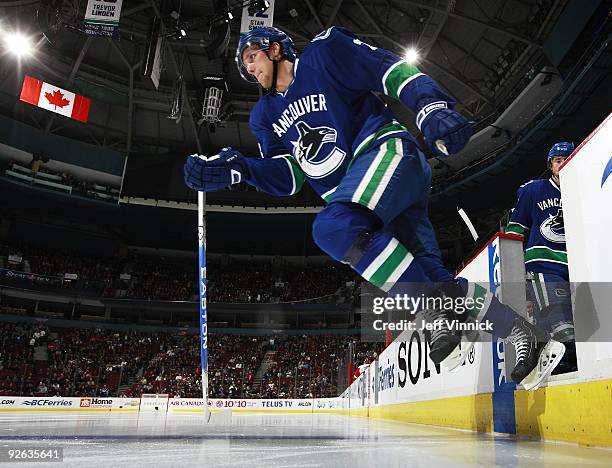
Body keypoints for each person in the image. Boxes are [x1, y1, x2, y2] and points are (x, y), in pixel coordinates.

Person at [184, 26, 564, 389]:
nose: (249, 68)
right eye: (245, 64)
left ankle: (433, 310)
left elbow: (388, 70)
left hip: (385, 155)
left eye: (252, 56)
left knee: (332, 228)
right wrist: (240, 170)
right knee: (433, 279)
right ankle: (520, 333)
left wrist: (429, 104)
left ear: (275, 48)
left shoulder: (322, 54)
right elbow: (290, 176)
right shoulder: (263, 117)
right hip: (367, 198)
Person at [506, 142, 577, 373]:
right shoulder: (533, 190)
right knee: (557, 315)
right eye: (558, 160)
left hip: (576, 263)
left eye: (567, 159)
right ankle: (565, 355)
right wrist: (515, 274)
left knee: (579, 317)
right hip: (544, 263)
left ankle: (560, 360)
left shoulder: (580, 189)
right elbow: (515, 230)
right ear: (550, 165)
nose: (563, 163)